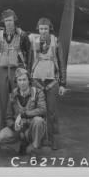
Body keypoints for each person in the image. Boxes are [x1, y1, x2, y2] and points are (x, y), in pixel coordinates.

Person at [28, 17, 66, 150]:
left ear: (50, 29)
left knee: (52, 112)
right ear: (38, 29)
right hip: (37, 82)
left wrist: (63, 83)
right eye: (41, 29)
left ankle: (53, 138)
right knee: (39, 111)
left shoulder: (56, 42)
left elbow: (61, 63)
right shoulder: (33, 42)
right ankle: (41, 137)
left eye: (45, 28)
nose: (43, 31)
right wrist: (29, 80)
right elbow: (29, 63)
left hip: (52, 82)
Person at [0, 68, 46, 157]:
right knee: (0, 137)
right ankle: (22, 144)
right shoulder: (13, 95)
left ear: (29, 80)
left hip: (32, 127)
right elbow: (8, 116)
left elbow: (42, 109)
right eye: (19, 80)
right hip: (19, 128)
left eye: (24, 79)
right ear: (16, 81)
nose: (22, 82)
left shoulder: (38, 92)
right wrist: (14, 126)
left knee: (39, 121)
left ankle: (34, 148)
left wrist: (24, 114)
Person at [0, 9, 31, 129]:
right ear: (3, 22)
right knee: (3, 100)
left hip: (17, 70)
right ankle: (3, 128)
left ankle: (20, 127)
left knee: (19, 99)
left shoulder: (22, 35)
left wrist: (27, 70)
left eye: (10, 20)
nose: (8, 23)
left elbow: (29, 52)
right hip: (3, 70)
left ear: (14, 20)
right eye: (6, 21)